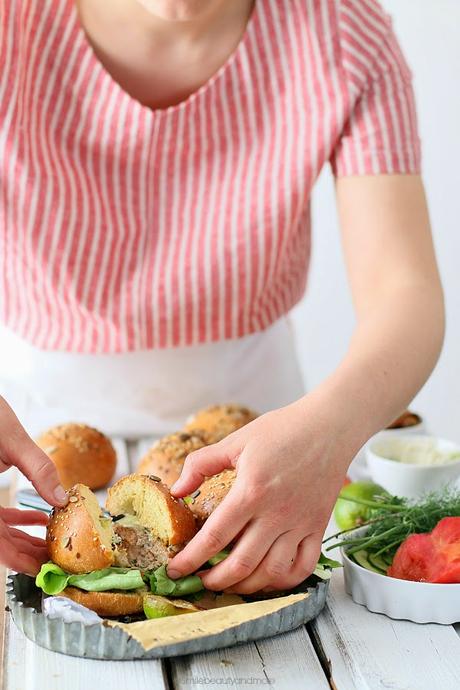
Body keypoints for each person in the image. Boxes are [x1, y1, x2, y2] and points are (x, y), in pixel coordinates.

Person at [0, 0, 444, 592]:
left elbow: (405, 290)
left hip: (272, 440)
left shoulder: (344, 34)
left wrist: (329, 434)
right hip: (33, 431)